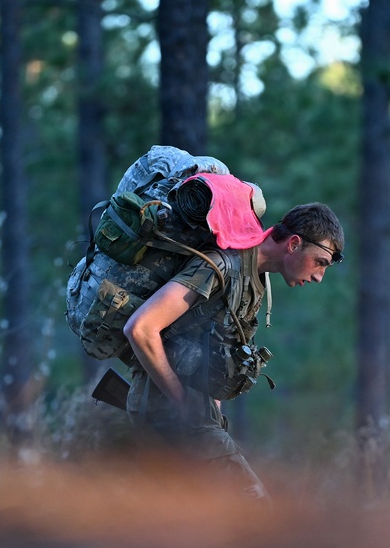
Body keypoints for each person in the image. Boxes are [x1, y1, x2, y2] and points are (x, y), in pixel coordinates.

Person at [122, 202, 344, 504]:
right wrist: (182, 400)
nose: (319, 276)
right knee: (253, 507)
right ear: (293, 244)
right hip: (168, 416)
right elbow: (141, 328)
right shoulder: (223, 267)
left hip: (193, 419)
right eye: (320, 262)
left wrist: (210, 408)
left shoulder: (254, 279)